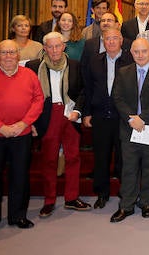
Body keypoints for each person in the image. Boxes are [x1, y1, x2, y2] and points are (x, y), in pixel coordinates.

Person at [0, 39, 44, 239]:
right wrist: (0, 127)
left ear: (18, 55)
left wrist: (24, 123)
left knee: (20, 176)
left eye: (12, 52)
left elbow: (38, 100)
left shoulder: (29, 75)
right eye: (4, 53)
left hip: (21, 135)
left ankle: (18, 215)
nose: (9, 56)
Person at [26, 32, 90, 217]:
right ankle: (49, 200)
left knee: (73, 157)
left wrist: (78, 111)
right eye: (50, 47)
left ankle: (71, 197)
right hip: (47, 115)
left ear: (64, 47)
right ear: (44, 48)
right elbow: (29, 96)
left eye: (58, 46)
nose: (54, 50)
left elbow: (83, 91)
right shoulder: (34, 66)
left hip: (70, 115)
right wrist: (32, 121)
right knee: (49, 160)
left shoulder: (75, 65)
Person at [110, 39, 149, 222]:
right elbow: (117, 98)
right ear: (131, 53)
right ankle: (126, 205)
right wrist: (132, 119)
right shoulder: (123, 72)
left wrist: (142, 118)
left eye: (144, 51)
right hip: (129, 129)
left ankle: (146, 203)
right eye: (136, 51)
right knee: (129, 169)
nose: (140, 55)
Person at [81, 27, 133, 209]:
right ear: (103, 41)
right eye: (107, 39)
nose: (111, 42)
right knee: (101, 157)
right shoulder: (94, 61)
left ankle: (124, 192)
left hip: (122, 117)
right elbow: (87, 88)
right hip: (100, 116)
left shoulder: (130, 60)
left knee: (123, 157)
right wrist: (86, 112)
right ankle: (101, 193)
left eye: (114, 38)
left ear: (121, 41)